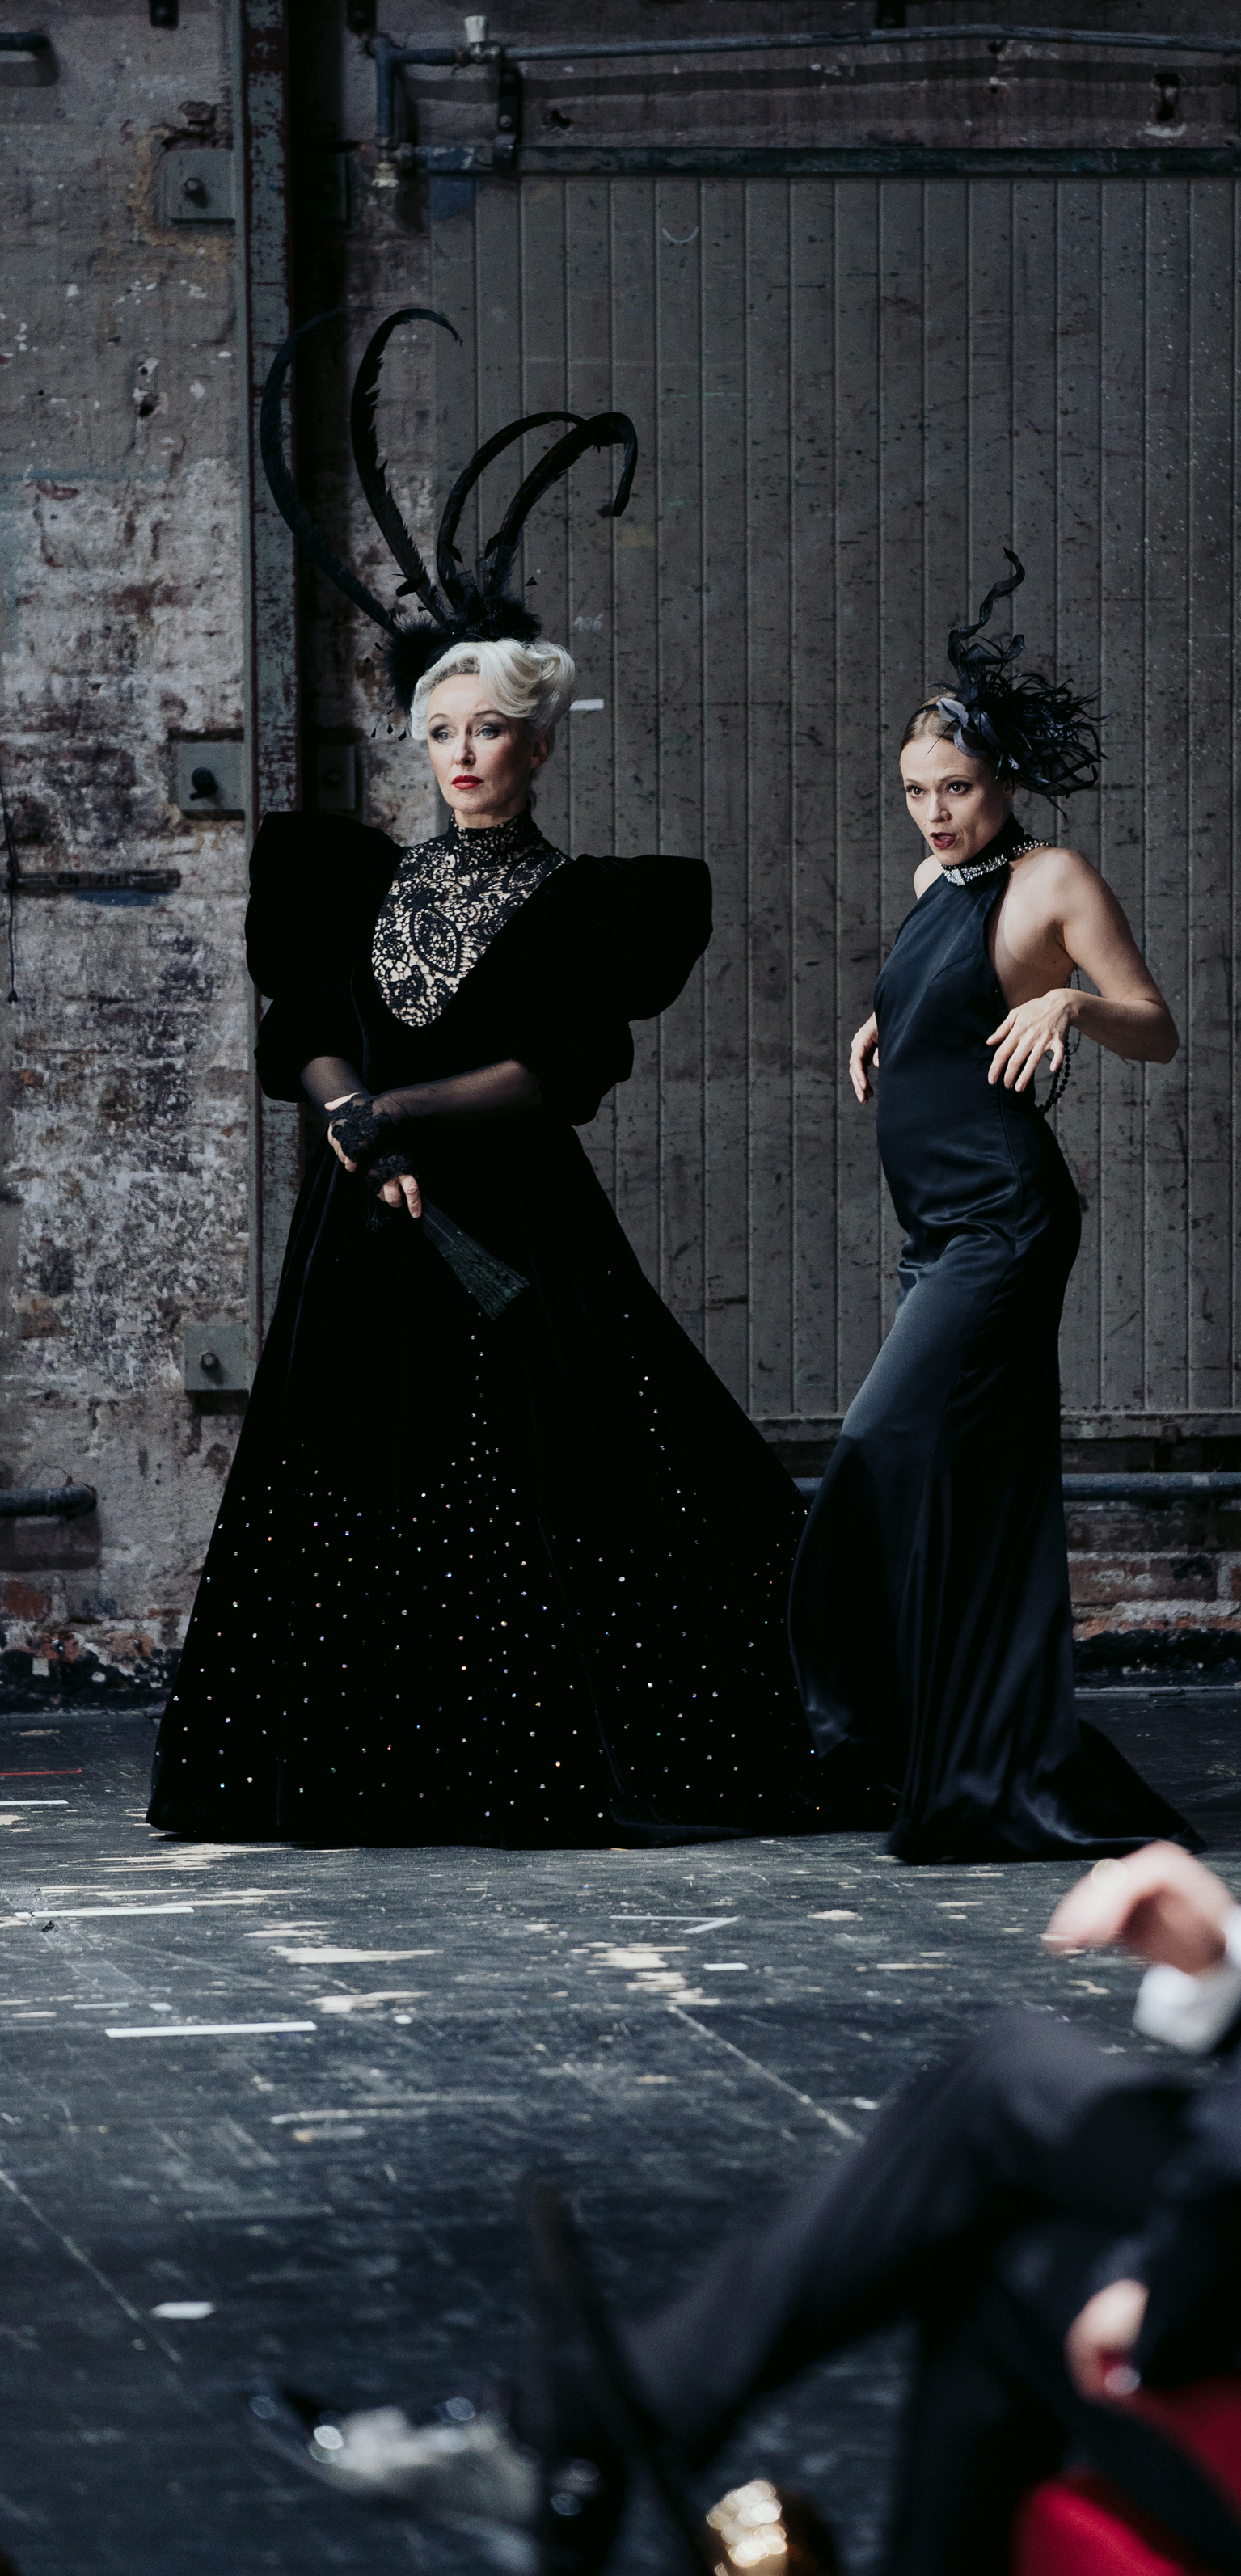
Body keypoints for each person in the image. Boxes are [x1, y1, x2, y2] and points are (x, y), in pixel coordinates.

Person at [264, 1483, 1241, 2574]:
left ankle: (575, 2437)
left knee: (1005, 2140)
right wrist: (1236, 1957)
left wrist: (1162, 2302)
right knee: (1005, 2168)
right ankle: (584, 2431)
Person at [147, 307, 829, 1847]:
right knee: (357, 1487)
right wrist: (348, 1108)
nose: (463, 757)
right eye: (443, 732)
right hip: (364, 1227)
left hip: (511, 1218)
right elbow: (305, 1021)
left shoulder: (590, 903)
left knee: (550, 1483)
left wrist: (397, 1112)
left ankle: (545, 1762)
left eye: (493, 734)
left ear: (540, 747)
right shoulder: (351, 876)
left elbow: (560, 1069)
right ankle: (368, 1770)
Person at [788, 551, 1192, 1863]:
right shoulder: (931, 889)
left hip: (1004, 1225)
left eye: (955, 789)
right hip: (934, 1232)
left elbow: (1156, 1027)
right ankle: (983, 1762)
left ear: (1001, 780)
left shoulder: (1052, 878)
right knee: (982, 1494)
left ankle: (863, 1729)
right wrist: (881, 1022)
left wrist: (1070, 1000)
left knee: (879, 1445)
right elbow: (942, 994)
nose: (934, 813)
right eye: (916, 792)